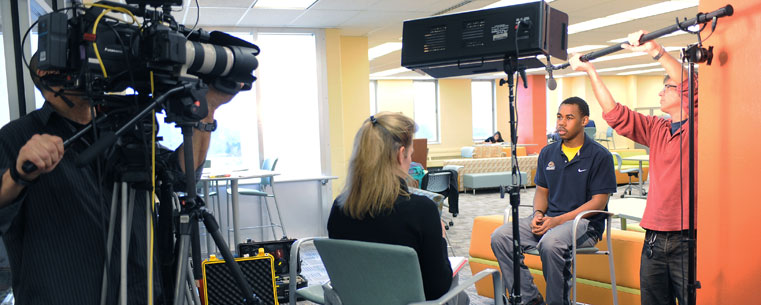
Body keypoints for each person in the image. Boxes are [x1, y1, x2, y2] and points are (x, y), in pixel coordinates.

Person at [0, 52, 240, 304]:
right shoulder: (17, 137)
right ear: (48, 76)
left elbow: (181, 174)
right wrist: (18, 174)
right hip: (67, 293)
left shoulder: (124, 128)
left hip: (139, 290)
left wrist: (207, 109)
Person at [570, 30, 696, 305]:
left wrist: (655, 50)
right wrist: (590, 71)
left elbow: (691, 85)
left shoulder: (699, 126)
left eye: (668, 87)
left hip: (689, 239)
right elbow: (615, 113)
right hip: (653, 237)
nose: (661, 92)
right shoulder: (656, 129)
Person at [327, 112, 468, 305]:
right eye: (410, 154)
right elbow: (438, 288)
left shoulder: (339, 208)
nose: (410, 160)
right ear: (401, 154)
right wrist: (440, 238)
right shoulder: (422, 210)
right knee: (460, 295)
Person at [490, 97, 616, 305]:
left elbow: (598, 203)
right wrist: (538, 214)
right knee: (501, 236)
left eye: (569, 118)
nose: (561, 123)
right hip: (550, 219)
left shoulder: (600, 156)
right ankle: (530, 299)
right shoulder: (548, 152)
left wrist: (557, 222)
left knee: (550, 243)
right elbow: (542, 192)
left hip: (584, 224)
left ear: (584, 121)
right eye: (559, 117)